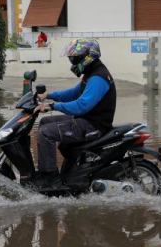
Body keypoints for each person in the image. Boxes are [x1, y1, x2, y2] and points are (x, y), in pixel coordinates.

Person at [32, 38, 116, 185]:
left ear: (87, 57)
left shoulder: (98, 77)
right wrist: (48, 95)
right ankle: (47, 171)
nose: (72, 61)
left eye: (74, 58)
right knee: (45, 122)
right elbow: (72, 93)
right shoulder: (91, 73)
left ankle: (50, 178)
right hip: (85, 120)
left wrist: (52, 106)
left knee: (46, 133)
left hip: (93, 125)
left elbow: (81, 105)